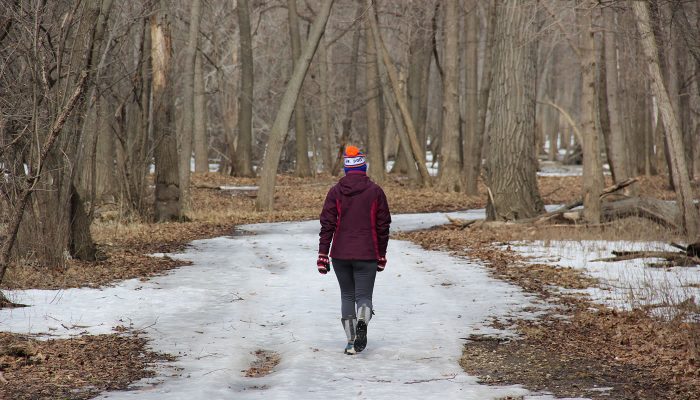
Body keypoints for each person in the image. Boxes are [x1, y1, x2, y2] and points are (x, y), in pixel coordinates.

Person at [317, 145, 391, 355]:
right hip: (367, 253)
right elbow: (383, 225)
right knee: (364, 296)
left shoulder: (335, 192)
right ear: (363, 167)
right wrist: (382, 254)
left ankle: (351, 343)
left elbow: (327, 224)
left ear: (346, 169)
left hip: (340, 253)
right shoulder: (376, 192)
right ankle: (363, 319)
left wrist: (323, 254)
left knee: (347, 296)